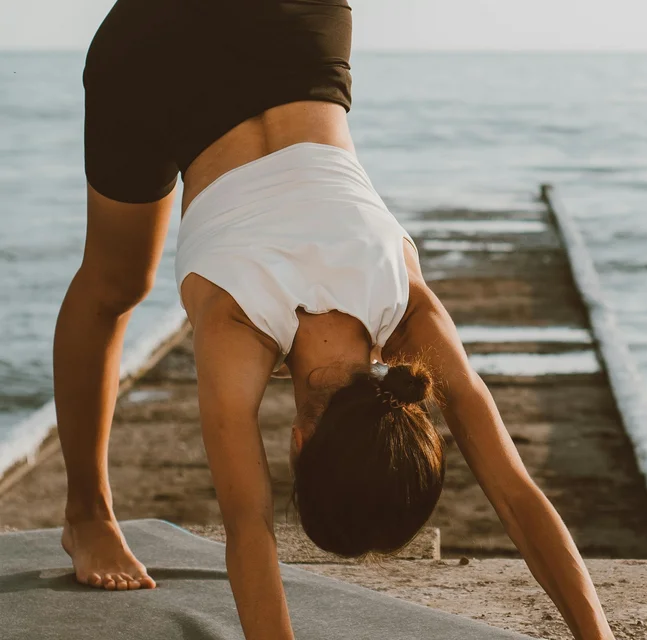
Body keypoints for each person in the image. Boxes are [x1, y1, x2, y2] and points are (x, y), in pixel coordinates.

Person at [54, 0, 615, 638]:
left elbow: (518, 493)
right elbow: (249, 530)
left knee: (118, 281)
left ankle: (90, 515)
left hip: (295, 23)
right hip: (155, 52)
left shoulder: (407, 307)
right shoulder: (233, 326)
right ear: (297, 445)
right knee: (114, 284)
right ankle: (89, 517)